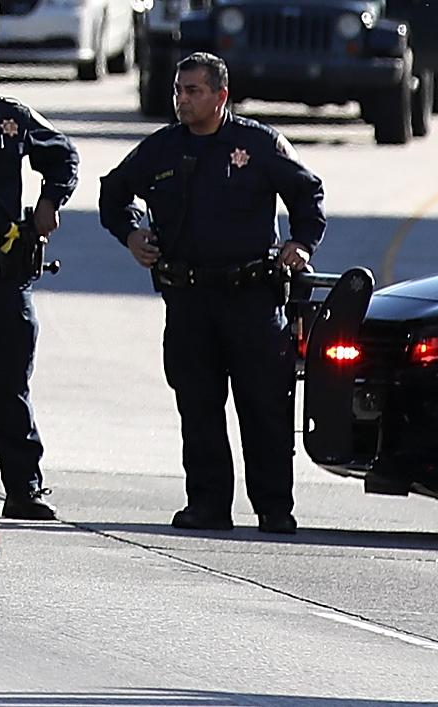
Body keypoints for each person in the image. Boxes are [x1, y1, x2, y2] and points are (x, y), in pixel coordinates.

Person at [97, 52, 326, 533]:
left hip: (252, 298)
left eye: (193, 91)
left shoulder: (256, 145)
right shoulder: (161, 149)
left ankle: (273, 507)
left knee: (264, 407)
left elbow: (307, 193)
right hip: (189, 300)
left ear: (220, 97)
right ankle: (206, 504)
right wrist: (133, 234)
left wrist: (302, 243)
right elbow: (113, 193)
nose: (182, 99)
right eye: (179, 90)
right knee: (197, 407)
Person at [0, 32, 78, 521]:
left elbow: (64, 155)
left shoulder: (11, 118)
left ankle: (24, 489)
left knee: (10, 390)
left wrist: (50, 200)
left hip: (4, 279)